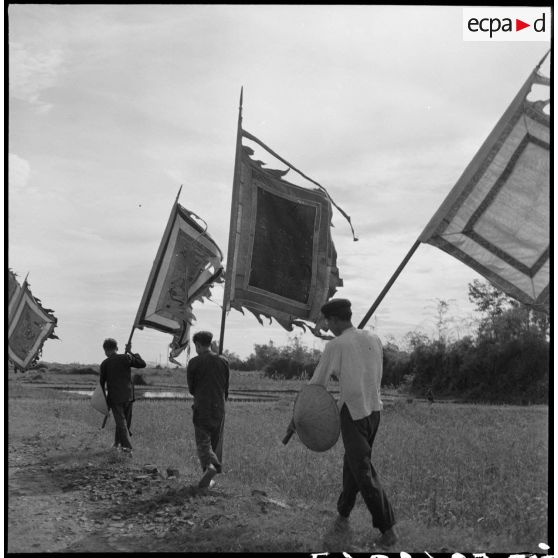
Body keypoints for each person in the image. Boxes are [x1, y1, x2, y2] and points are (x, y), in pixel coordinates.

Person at [308, 298, 398, 549]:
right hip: (374, 411)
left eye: (328, 322)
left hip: (353, 414)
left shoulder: (337, 345)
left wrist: (301, 415)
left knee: (362, 470)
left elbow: (318, 383)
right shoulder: (373, 338)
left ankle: (387, 528)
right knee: (353, 464)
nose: (327, 326)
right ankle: (343, 513)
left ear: (334, 320)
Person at [187, 331, 230, 489]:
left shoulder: (194, 362)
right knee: (213, 442)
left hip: (202, 407)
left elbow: (192, 389)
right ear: (210, 343)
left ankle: (212, 467)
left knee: (203, 443)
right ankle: (208, 479)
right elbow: (226, 387)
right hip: (219, 408)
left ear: (198, 344)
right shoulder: (223, 361)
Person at [100, 338, 146, 454]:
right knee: (123, 423)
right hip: (128, 396)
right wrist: (130, 351)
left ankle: (127, 448)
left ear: (105, 350)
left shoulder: (105, 363)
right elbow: (142, 364)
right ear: (117, 348)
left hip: (115, 398)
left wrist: (105, 402)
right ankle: (116, 444)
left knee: (121, 423)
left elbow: (101, 384)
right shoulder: (126, 357)